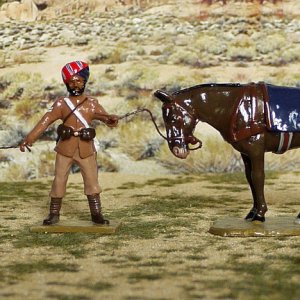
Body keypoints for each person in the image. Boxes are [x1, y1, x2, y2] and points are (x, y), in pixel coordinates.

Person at [19, 61, 118, 225]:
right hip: (65, 148)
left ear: (84, 81)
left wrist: (112, 120)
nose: (75, 84)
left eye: (78, 80)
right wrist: (29, 139)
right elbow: (45, 121)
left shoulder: (92, 104)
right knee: (59, 179)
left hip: (86, 148)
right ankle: (54, 214)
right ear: (66, 83)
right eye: (71, 81)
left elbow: (107, 118)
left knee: (92, 181)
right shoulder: (61, 104)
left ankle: (96, 214)